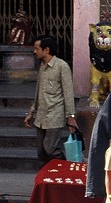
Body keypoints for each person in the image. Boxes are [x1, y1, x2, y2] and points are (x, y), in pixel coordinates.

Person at [24, 35, 76, 164]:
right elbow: (38, 91)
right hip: (41, 116)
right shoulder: (42, 66)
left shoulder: (62, 66)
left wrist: (71, 116)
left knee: (51, 148)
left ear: (46, 50)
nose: (34, 51)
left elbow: (68, 93)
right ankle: (44, 178)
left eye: (37, 48)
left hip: (55, 115)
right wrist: (31, 111)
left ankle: (63, 168)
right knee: (41, 151)